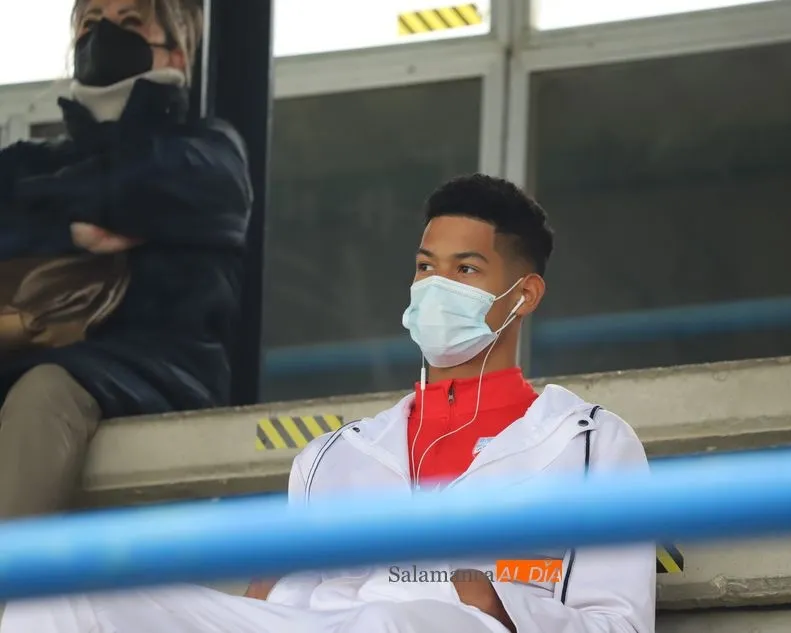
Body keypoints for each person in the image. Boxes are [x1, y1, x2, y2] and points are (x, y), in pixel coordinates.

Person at [0, 175, 655, 633]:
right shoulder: (334, 455)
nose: (435, 286)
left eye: (465, 269)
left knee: (392, 618)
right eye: (425, 267)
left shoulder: (587, 443)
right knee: (60, 596)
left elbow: (619, 623)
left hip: (446, 626)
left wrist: (500, 602)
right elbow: (281, 602)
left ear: (524, 295)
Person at [0, 0, 252, 518]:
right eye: (91, 22)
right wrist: (70, 229)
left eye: (130, 22)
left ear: (177, 54)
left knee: (45, 391)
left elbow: (138, 187)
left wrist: (47, 210)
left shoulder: (209, 154)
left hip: (160, 371)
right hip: (36, 357)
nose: (104, 35)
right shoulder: (28, 162)